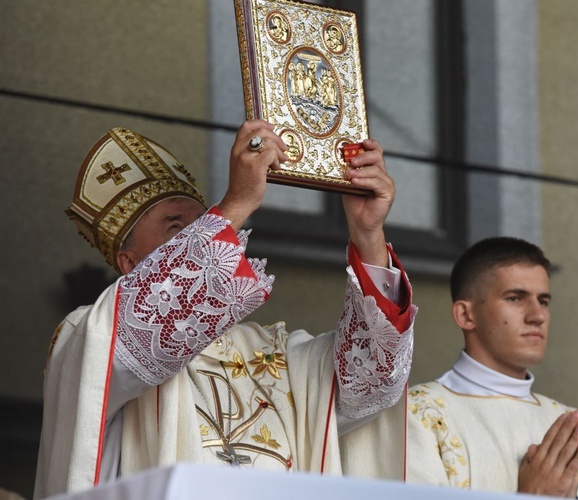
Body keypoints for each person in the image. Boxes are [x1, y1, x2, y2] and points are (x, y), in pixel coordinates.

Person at [35, 121, 417, 497]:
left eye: (203, 222)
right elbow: (138, 326)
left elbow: (370, 386)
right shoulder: (91, 333)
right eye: (176, 229)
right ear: (130, 264)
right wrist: (238, 202)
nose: (206, 232)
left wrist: (368, 236)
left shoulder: (275, 352)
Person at [406, 237, 578, 499]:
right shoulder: (419, 416)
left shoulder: (575, 429)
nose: (538, 315)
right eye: (515, 298)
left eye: (543, 301)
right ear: (466, 315)